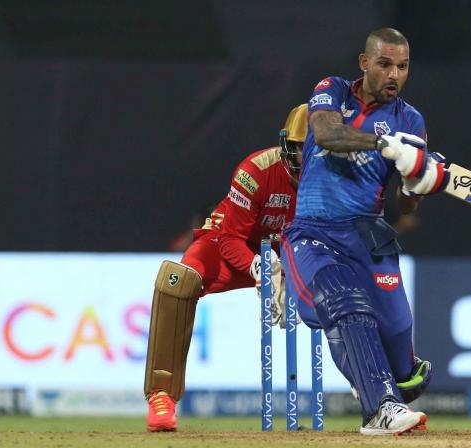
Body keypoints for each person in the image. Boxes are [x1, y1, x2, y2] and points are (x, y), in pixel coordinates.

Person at [282, 28, 445, 436]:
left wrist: (415, 183)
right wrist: (388, 147)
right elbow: (327, 135)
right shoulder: (332, 89)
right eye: (385, 64)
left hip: (367, 236)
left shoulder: (411, 120)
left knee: (401, 355)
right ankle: (380, 411)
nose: (395, 75)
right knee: (346, 304)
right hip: (314, 233)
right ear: (364, 62)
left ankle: (390, 392)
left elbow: (406, 204)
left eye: (403, 67)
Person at [143, 104, 308, 432]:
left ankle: (374, 394)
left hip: (290, 249)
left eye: (311, 150)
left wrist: (296, 270)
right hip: (231, 246)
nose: (303, 161)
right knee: (178, 282)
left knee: (346, 280)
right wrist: (260, 267)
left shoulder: (334, 175)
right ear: (285, 145)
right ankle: (162, 396)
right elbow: (232, 238)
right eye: (297, 149)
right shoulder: (257, 169)